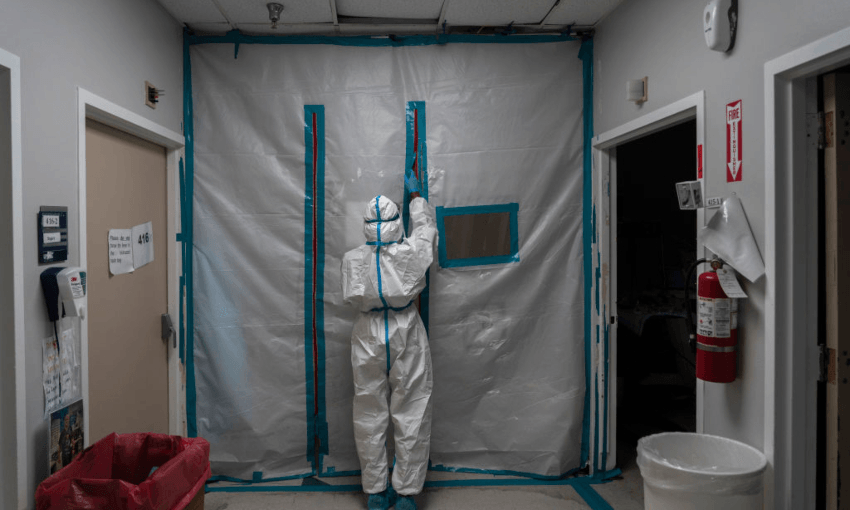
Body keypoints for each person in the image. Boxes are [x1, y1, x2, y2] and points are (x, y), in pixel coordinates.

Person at [341, 181, 437, 510]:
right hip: (405, 327)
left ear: (366, 225)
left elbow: (348, 295)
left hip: (367, 332)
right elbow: (426, 229)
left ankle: (375, 491)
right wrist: (415, 198)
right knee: (412, 409)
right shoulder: (411, 252)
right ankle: (407, 493)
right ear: (397, 222)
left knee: (369, 411)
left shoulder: (352, 259)